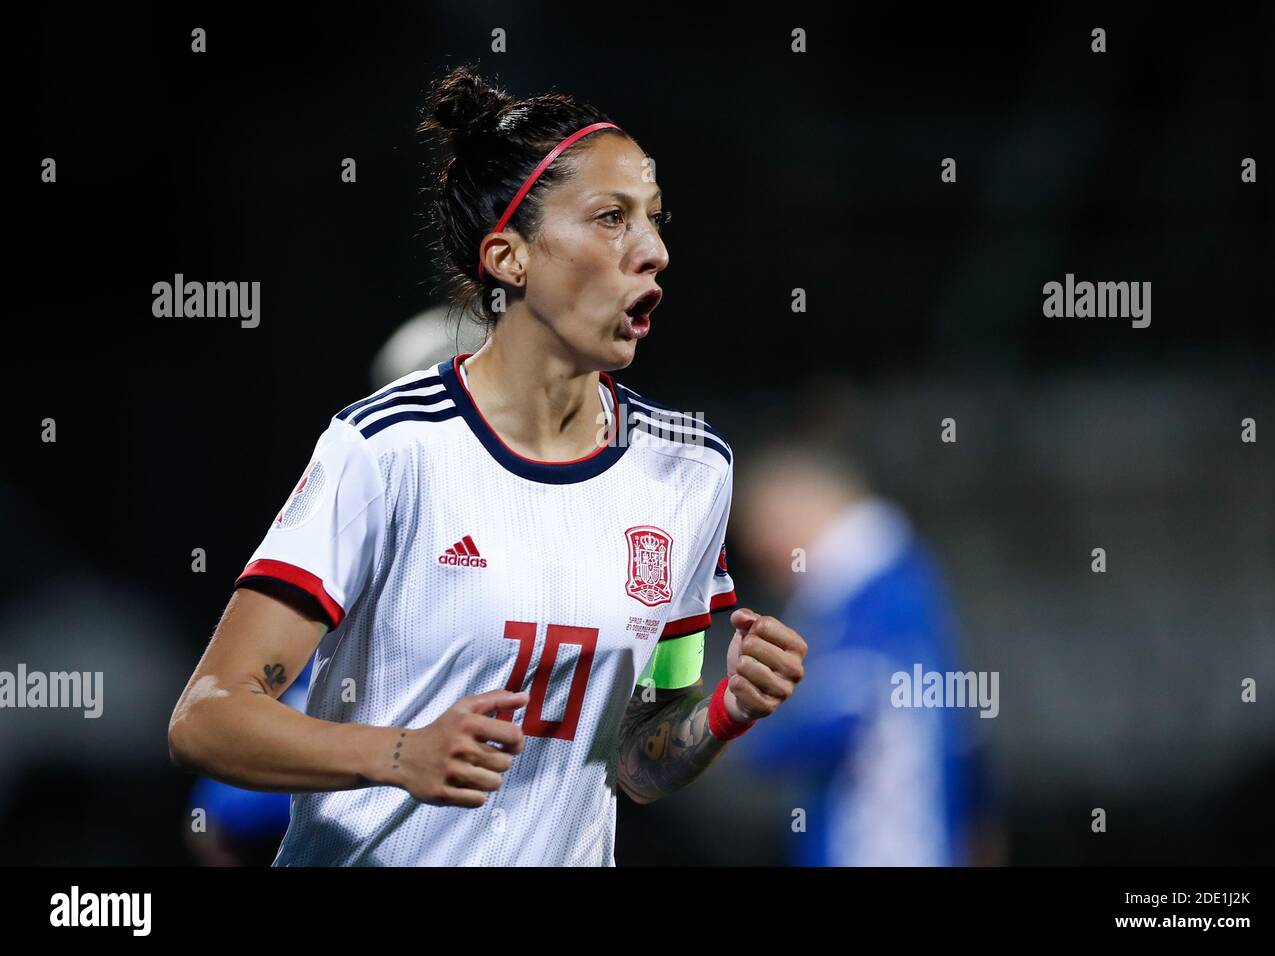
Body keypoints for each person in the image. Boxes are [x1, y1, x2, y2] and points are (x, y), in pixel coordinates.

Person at [167, 65, 807, 866]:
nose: (655, 250)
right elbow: (206, 717)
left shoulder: (691, 470)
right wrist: (401, 755)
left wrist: (726, 709)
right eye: (611, 218)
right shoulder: (386, 450)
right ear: (509, 257)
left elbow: (639, 765)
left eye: (655, 219)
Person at [732, 433, 999, 866]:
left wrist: (733, 727)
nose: (764, 562)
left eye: (760, 538)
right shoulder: (905, 581)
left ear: (785, 515)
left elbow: (837, 716)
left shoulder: (862, 589)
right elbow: (967, 735)